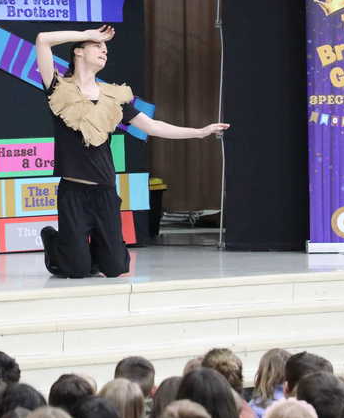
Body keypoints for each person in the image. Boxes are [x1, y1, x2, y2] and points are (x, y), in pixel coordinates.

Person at [35, 25, 228, 277]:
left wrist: (199, 132)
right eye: (97, 46)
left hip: (104, 190)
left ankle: (87, 253)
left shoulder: (113, 97)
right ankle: (54, 241)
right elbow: (43, 40)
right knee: (77, 270)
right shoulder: (59, 88)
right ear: (79, 53)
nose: (104, 50)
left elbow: (153, 126)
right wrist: (87, 34)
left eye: (106, 49)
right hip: (73, 191)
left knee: (116, 268)